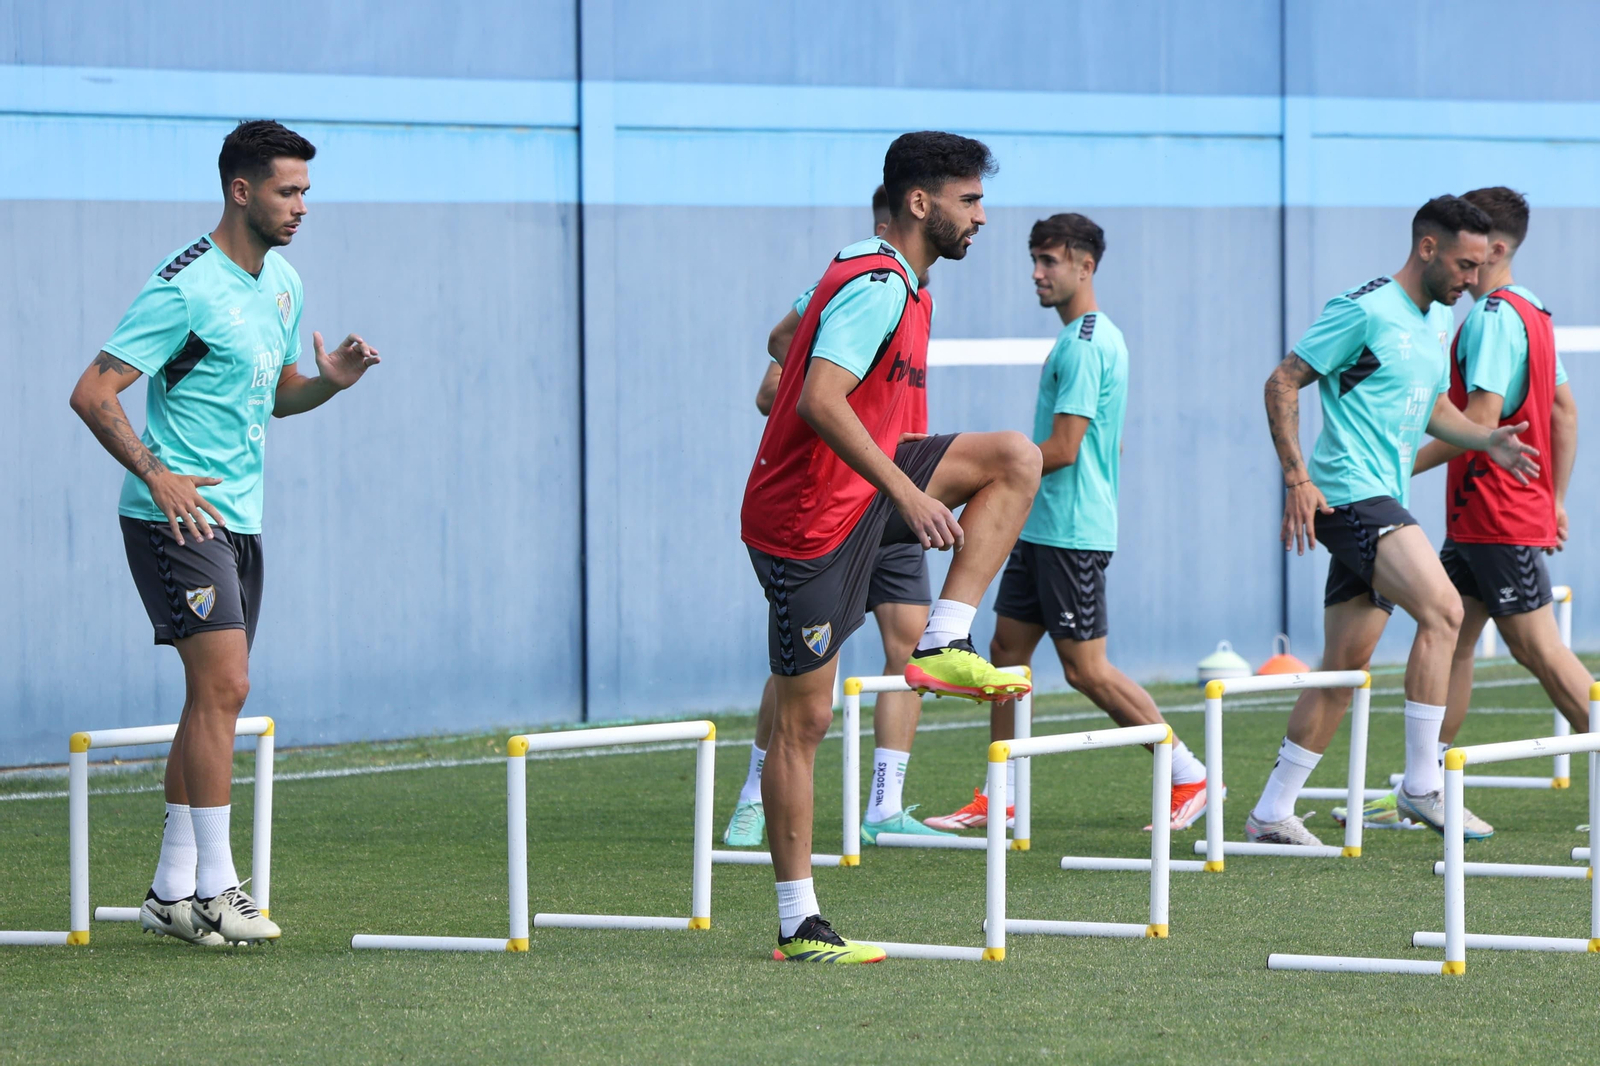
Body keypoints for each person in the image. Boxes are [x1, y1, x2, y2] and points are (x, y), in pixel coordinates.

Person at [68, 120, 380, 945]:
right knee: (227, 688)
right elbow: (93, 393)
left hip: (240, 519)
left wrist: (330, 383)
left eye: (306, 191)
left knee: (211, 695)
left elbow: (278, 395)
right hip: (174, 518)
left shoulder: (283, 284)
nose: (302, 206)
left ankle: (171, 891)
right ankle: (217, 889)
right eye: (288, 190)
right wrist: (156, 473)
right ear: (241, 191)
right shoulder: (183, 287)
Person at [742, 131, 1039, 963]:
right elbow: (818, 400)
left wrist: (803, 352)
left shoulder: (896, 281)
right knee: (805, 721)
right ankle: (799, 923)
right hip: (806, 521)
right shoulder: (876, 286)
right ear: (920, 202)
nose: (982, 217)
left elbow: (785, 337)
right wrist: (908, 492)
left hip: (866, 489)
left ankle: (945, 639)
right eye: (969, 201)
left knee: (1014, 458)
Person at [1254, 195, 1537, 846]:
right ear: (1428, 248)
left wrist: (1485, 440)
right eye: (1464, 265)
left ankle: (1271, 812)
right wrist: (1297, 478)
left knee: (1344, 668)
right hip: (1349, 495)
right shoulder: (1363, 309)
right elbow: (1282, 382)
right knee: (1444, 609)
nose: (1473, 279)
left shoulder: (1437, 317)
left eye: (1480, 266)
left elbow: (1431, 406)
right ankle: (1421, 782)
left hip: (1383, 495)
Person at [926, 213, 1212, 833]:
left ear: (1085, 267)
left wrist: (985, 474)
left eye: (1049, 261)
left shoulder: (1084, 343)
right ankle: (1001, 797)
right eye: (1034, 259)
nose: (1037, 272)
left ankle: (1189, 775)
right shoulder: (1084, 338)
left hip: (1071, 532)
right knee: (1005, 654)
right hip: (1040, 527)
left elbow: (1064, 447)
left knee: (1086, 669)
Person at [726, 186, 953, 850]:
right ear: (901, 216)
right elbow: (781, 369)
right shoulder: (863, 279)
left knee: (911, 642)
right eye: (967, 204)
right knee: (804, 670)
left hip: (893, 492)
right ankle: (754, 792)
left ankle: (885, 804)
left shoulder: (920, 296)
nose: (977, 219)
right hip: (834, 502)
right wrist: (801, 389)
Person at [1372, 186, 1587, 834]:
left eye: (1470, 249)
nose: (1461, 261)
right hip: (1489, 513)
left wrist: (1392, 467)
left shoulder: (1493, 318)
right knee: (1454, 640)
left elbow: (1481, 425)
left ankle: (1423, 784)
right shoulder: (1534, 310)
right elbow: (1564, 412)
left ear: (1492, 248)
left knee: (1540, 650)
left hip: (1495, 511)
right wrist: (1555, 499)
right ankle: (1423, 783)